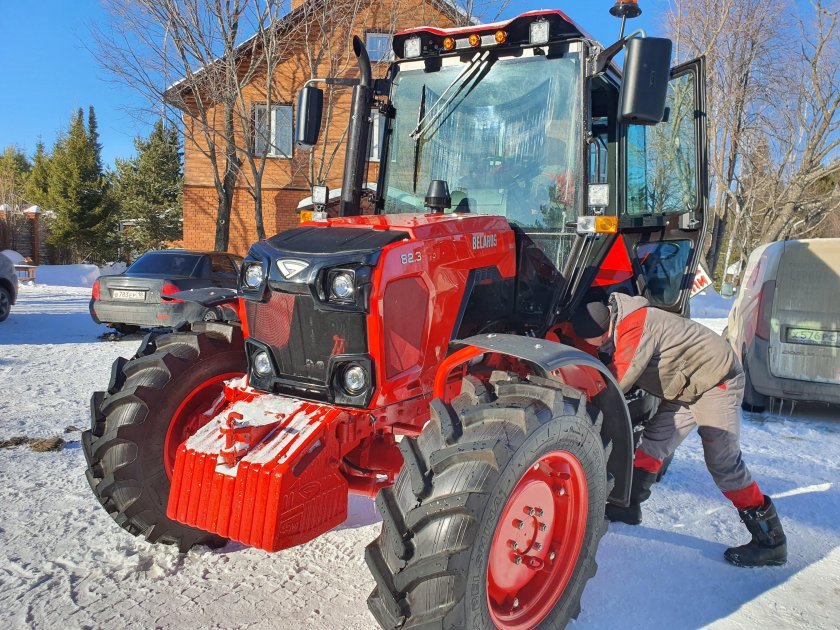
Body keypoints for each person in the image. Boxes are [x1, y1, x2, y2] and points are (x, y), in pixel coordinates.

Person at [571, 294, 787, 568]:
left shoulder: (635, 325)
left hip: (716, 381)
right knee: (653, 442)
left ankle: (770, 542)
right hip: (688, 385)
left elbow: (620, 378)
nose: (596, 346)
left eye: (593, 342)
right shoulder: (622, 321)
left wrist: (578, 400)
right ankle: (627, 507)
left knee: (723, 462)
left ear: (602, 331)